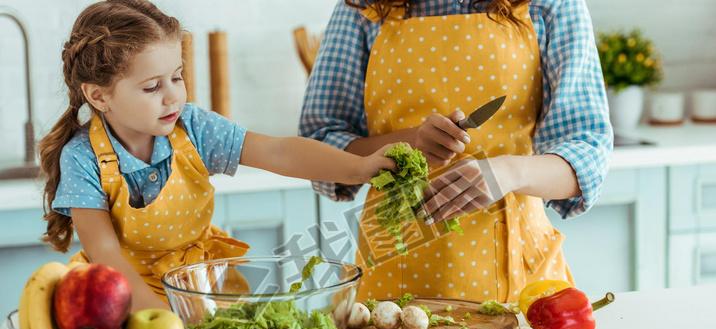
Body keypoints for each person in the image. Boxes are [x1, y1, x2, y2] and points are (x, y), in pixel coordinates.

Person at [39, 0, 396, 312]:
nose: (172, 97)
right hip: (121, 295)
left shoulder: (193, 127)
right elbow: (106, 255)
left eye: (177, 77)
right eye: (152, 87)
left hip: (202, 286)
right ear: (99, 96)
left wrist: (358, 168)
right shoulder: (81, 158)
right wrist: (161, 318)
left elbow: (278, 151)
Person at [299, 0, 613, 303]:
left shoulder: (552, 4)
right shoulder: (364, 7)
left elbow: (587, 155)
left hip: (519, 281)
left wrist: (508, 172)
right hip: (391, 282)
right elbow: (319, 144)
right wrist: (408, 142)